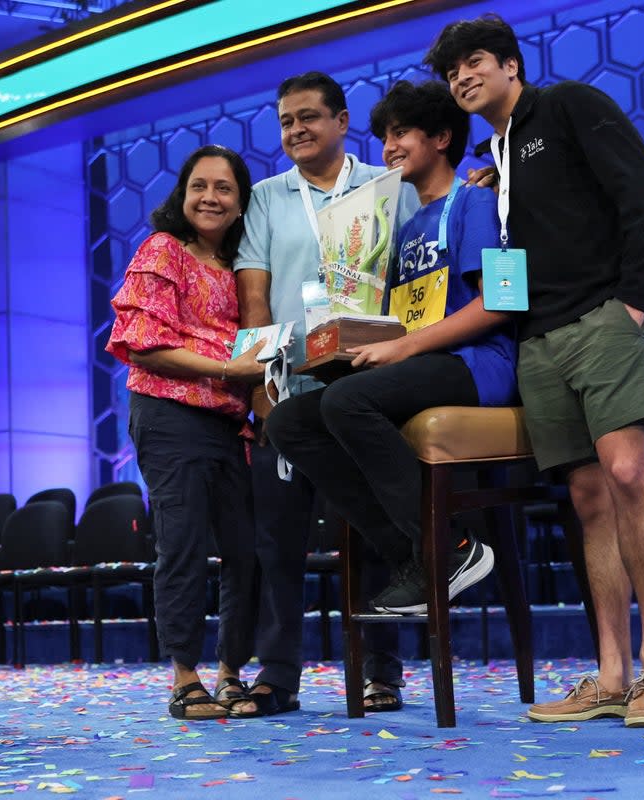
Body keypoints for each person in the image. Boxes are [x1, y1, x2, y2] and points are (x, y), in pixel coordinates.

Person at [426, 14, 644, 727]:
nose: (463, 78)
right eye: (452, 73)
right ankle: (610, 674)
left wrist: (633, 301)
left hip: (604, 317)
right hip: (538, 340)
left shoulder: (567, 106)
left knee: (629, 475)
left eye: (474, 62)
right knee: (589, 500)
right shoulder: (494, 158)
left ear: (510, 65)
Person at [267, 79, 514, 627]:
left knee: (348, 403)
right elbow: (400, 317)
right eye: (384, 137)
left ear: (443, 137)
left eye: (401, 134)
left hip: (480, 366)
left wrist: (403, 348)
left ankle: (449, 548)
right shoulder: (401, 228)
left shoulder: (479, 202)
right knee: (290, 421)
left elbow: (504, 305)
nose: (388, 149)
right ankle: (415, 555)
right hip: (421, 363)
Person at [234, 71, 416, 714]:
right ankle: (277, 676)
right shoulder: (265, 197)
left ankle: (381, 670)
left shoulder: (385, 187)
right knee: (277, 537)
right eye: (285, 121)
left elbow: (417, 273)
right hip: (288, 386)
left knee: (367, 525)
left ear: (342, 120)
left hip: (366, 384)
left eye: (309, 117)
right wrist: (260, 383)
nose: (296, 130)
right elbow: (253, 293)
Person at [106, 145, 267, 720]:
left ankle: (230, 673)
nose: (210, 198)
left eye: (224, 188)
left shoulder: (242, 268)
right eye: (200, 186)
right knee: (184, 546)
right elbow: (148, 345)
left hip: (230, 423)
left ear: (241, 200)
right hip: (170, 415)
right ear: (182, 193)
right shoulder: (164, 250)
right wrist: (231, 368)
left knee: (245, 552)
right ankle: (184, 677)